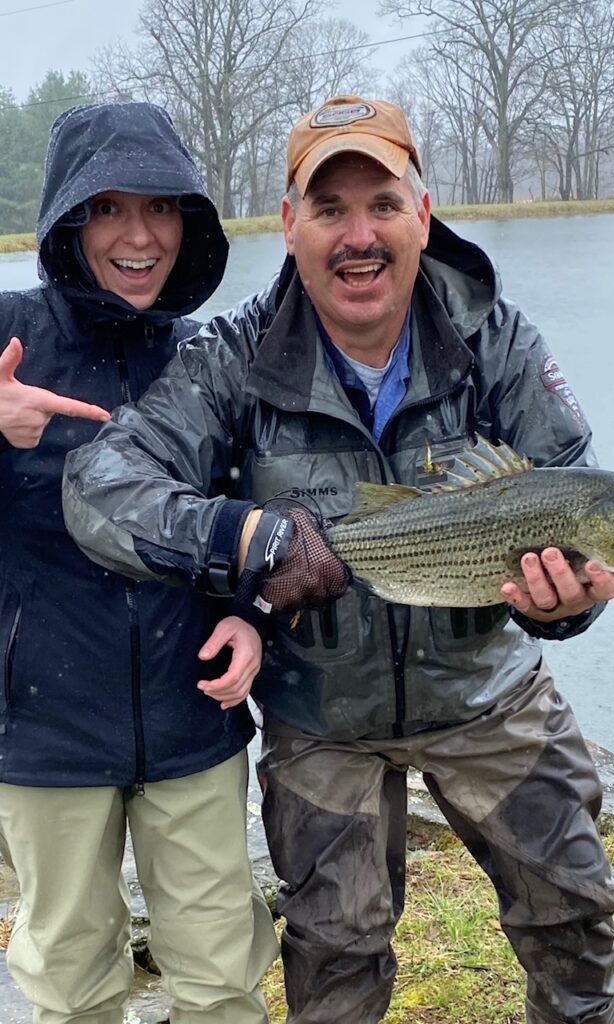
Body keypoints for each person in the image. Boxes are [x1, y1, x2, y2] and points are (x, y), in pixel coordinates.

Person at [63, 95, 614, 1024]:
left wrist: (566, 605)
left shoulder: (497, 340)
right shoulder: (234, 357)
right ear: (289, 226)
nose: (358, 237)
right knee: (334, 950)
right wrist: (241, 541)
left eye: (382, 205)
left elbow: (578, 495)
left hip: (489, 690)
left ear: (423, 213)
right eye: (329, 210)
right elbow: (98, 485)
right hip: (317, 707)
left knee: (573, 909)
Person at [0, 101, 278, 1024]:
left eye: (160, 209)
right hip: (42, 733)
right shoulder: (7, 335)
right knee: (72, 981)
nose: (139, 236)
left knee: (220, 978)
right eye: (108, 209)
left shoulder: (215, 356)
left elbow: (265, 512)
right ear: (67, 223)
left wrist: (255, 614)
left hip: (193, 717)